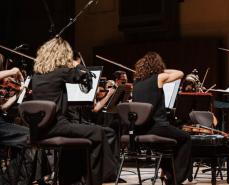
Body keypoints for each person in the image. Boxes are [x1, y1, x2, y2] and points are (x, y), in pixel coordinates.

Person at [31, 37, 119, 185]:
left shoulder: (37, 76)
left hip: (38, 129)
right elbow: (84, 75)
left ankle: (71, 179)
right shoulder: (61, 72)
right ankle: (98, 180)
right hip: (56, 126)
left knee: (79, 132)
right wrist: (76, 65)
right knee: (98, 132)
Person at [132, 52, 192, 184]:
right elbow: (180, 73)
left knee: (171, 141)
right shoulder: (158, 77)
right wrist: (161, 70)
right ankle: (176, 178)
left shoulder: (136, 83)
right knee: (186, 138)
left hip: (140, 129)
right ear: (157, 65)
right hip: (156, 126)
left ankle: (167, 172)